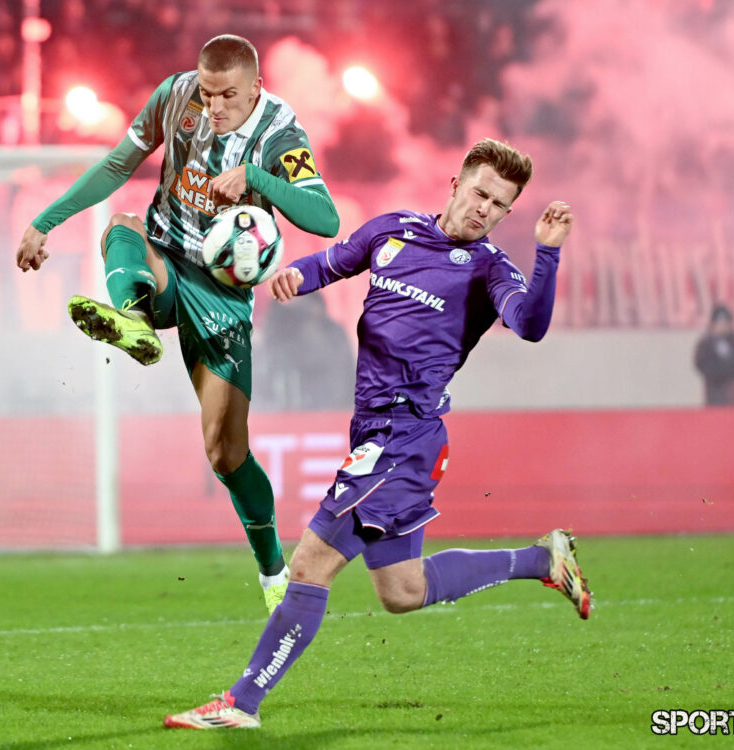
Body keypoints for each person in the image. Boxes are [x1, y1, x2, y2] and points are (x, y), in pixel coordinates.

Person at [163, 138, 592, 730]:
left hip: (404, 437)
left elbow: (531, 324)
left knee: (309, 565)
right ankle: (542, 558)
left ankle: (240, 702)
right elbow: (334, 261)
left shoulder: (490, 268)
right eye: (480, 194)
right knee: (402, 590)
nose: (485, 210)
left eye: (499, 205)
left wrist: (547, 253)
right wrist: (295, 276)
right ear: (455, 185)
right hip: (378, 431)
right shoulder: (394, 230)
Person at [15, 35, 340, 614]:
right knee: (122, 224)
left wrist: (257, 178)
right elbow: (119, 163)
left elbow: (326, 218)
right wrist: (46, 221)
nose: (214, 107)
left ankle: (273, 572)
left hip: (223, 296)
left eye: (228, 96)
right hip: (166, 258)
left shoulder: (280, 133)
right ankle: (136, 320)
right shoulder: (174, 95)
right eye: (208, 93)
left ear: (257, 88)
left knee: (226, 453)